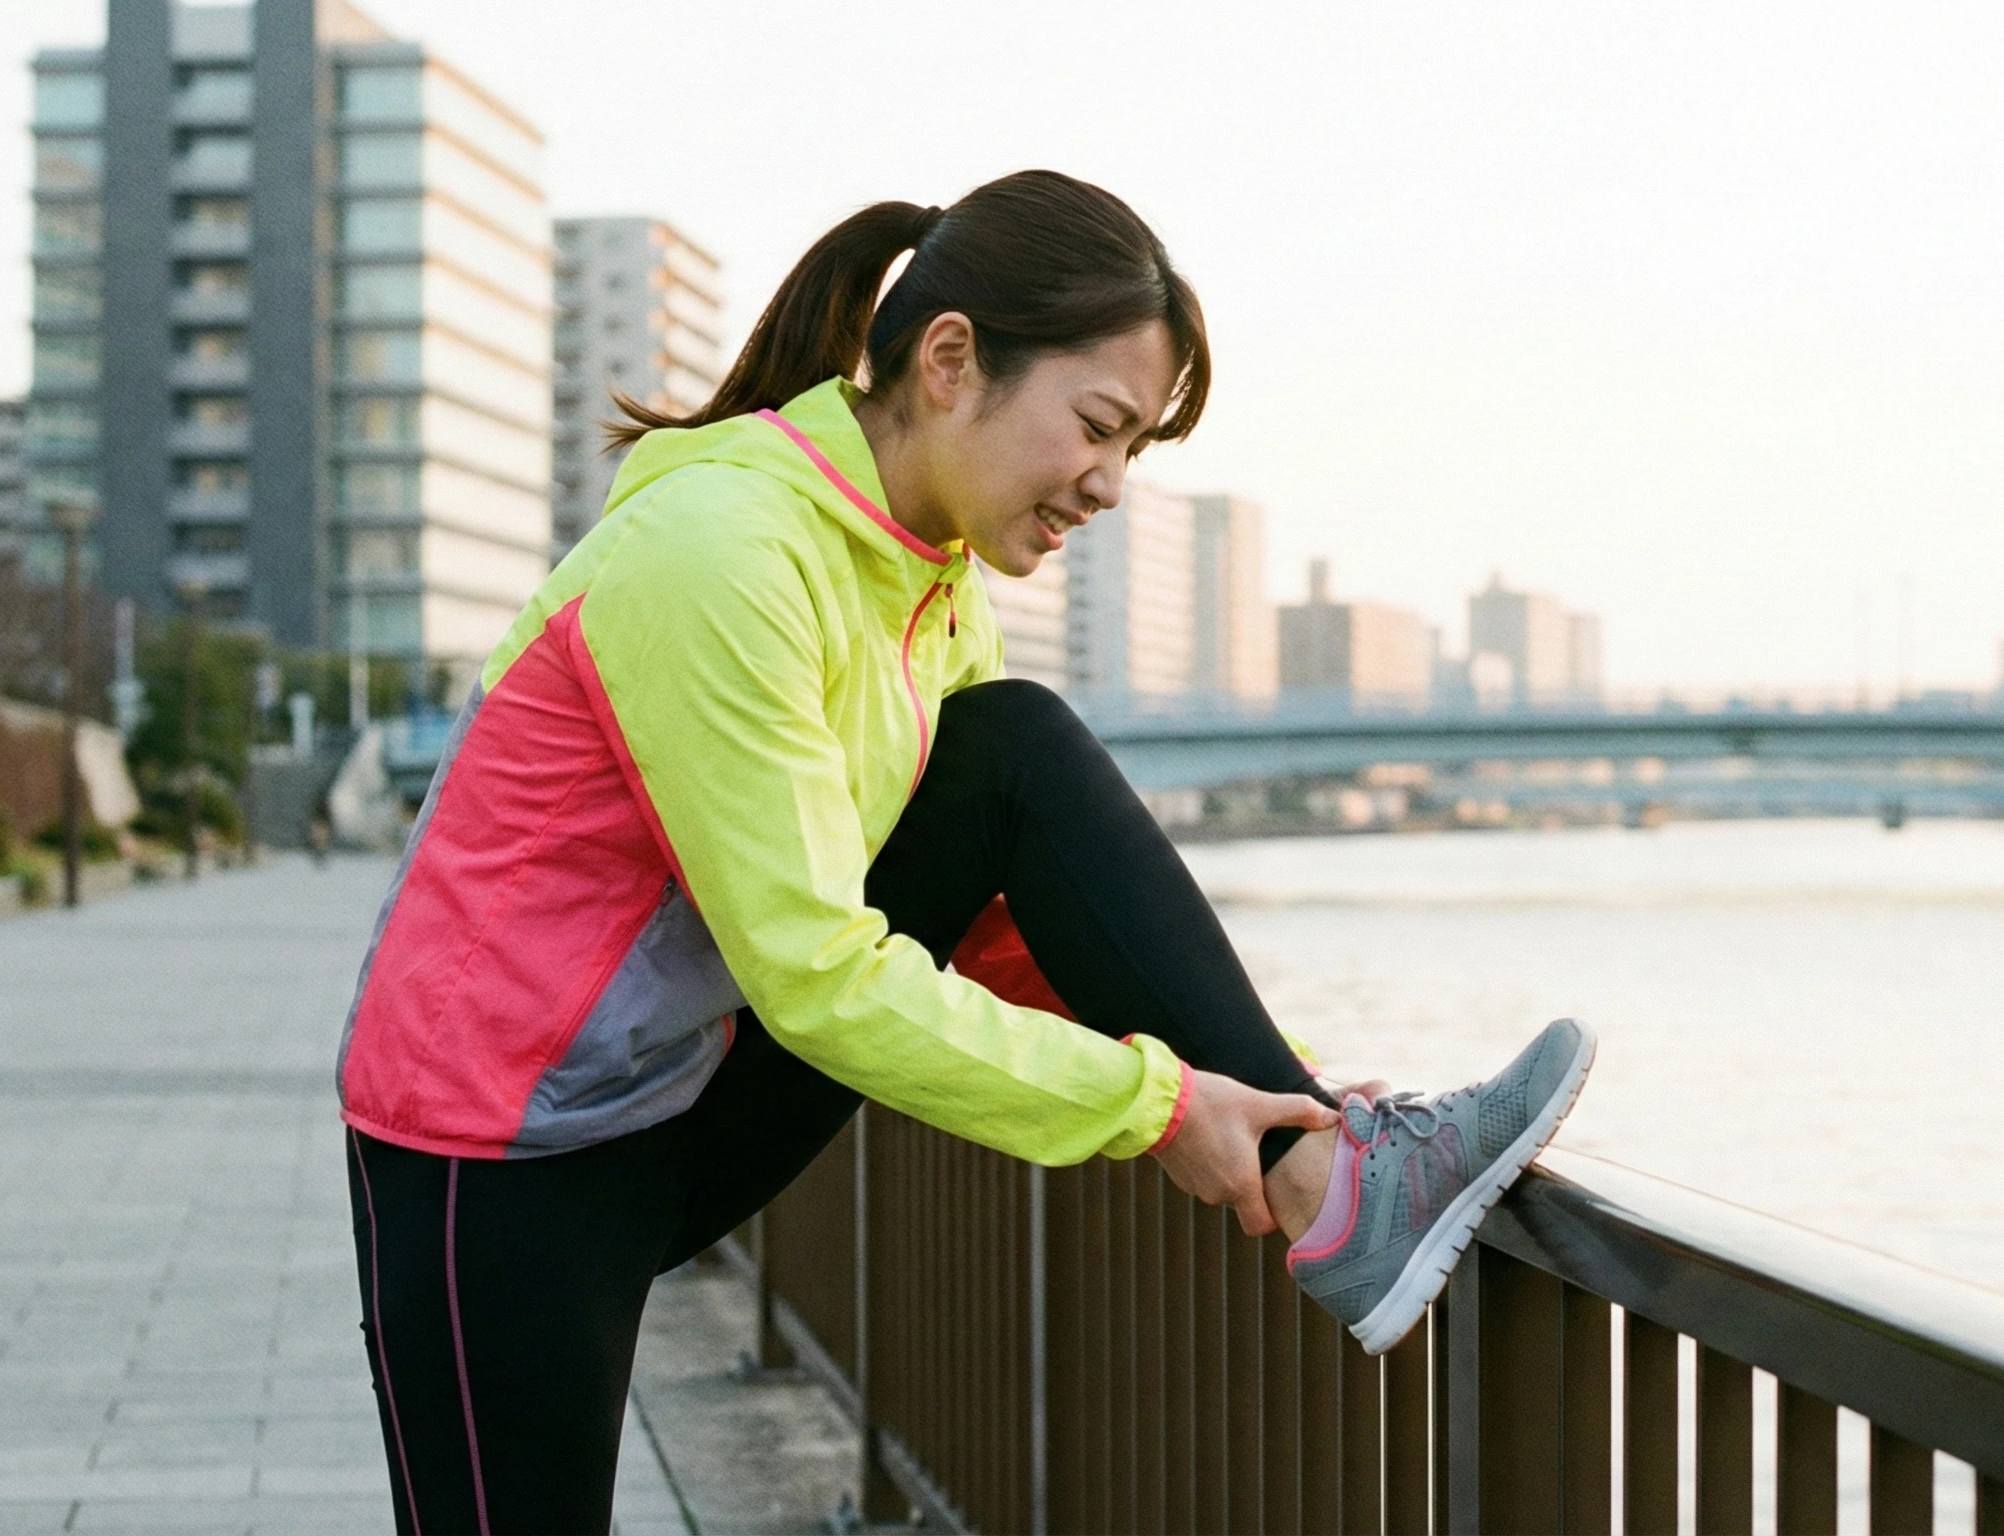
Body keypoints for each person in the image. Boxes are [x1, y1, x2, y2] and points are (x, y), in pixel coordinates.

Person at [334, 169, 1593, 1535]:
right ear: (951, 362)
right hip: (492, 1144)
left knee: (1008, 749)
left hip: (672, 1093)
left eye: (1136, 451)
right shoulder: (719, 552)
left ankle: (1324, 1164)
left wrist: (1224, 1094)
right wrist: (1153, 1108)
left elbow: (996, 916)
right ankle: (1332, 1181)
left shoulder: (932, 588)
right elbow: (818, 971)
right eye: (1100, 428)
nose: (1108, 485)